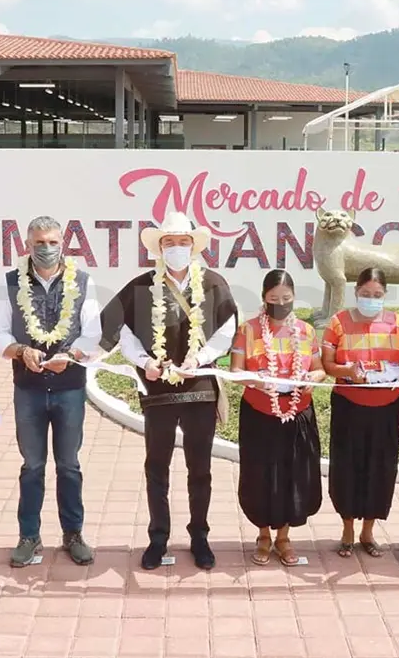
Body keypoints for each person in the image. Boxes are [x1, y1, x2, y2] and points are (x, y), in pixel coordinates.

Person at [100, 211, 238, 570]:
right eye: (169, 242)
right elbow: (122, 331)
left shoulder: (213, 284)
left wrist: (201, 357)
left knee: (200, 468)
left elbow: (226, 331)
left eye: (182, 242)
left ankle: (200, 537)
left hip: (200, 391)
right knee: (156, 465)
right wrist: (144, 360)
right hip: (157, 390)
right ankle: (157, 538)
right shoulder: (141, 286)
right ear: (159, 248)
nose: (176, 248)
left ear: (193, 246)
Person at [0, 216, 102, 567]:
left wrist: (69, 355)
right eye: (39, 242)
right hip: (29, 388)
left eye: (53, 241)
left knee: (69, 465)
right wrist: (21, 351)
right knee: (33, 465)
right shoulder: (8, 283)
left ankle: (73, 534)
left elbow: (93, 334)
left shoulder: (83, 282)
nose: (47, 248)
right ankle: (29, 536)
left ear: (63, 244)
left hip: (69, 387)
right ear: (27, 244)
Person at [230, 270, 324, 566]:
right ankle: (262, 536)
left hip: (297, 415)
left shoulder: (307, 332)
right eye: (273, 299)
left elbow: (321, 369)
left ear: (294, 298)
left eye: (286, 298)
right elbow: (235, 372)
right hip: (260, 415)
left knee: (292, 476)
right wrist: (257, 382)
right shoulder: (247, 330)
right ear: (263, 298)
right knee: (261, 476)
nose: (280, 304)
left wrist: (313, 377)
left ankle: (284, 538)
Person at [321, 267, 399, 559]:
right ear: (356, 292)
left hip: (386, 410)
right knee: (348, 468)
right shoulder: (338, 322)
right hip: (349, 407)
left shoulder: (398, 324)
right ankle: (347, 530)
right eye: (365, 294)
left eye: (377, 295)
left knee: (381, 470)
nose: (371, 299)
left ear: (385, 295)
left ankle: (368, 532)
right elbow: (327, 365)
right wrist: (346, 370)